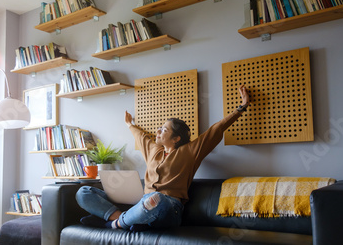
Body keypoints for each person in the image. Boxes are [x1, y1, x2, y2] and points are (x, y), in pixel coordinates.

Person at [76, 84, 251, 231]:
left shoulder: (190, 152)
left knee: (157, 200)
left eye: (164, 130)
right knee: (84, 192)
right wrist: (130, 124)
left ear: (176, 138)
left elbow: (216, 130)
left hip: (168, 208)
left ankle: (114, 223)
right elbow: (140, 136)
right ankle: (125, 220)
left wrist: (241, 108)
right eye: (160, 128)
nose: (158, 131)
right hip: (141, 204)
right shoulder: (154, 150)